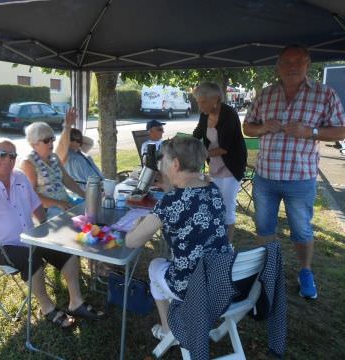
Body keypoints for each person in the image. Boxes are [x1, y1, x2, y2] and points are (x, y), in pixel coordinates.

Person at [0, 137, 105, 328]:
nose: (8, 159)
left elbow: (36, 206)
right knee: (30, 257)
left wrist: (47, 229)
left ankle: (76, 301)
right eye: (2, 154)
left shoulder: (19, 177)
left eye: (12, 155)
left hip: (30, 237)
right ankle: (47, 307)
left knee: (65, 246)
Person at [243, 44, 345, 300]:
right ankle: (268, 270)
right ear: (278, 66)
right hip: (265, 176)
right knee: (264, 228)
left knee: (302, 230)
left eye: (298, 61)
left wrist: (309, 132)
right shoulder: (265, 95)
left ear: (308, 64)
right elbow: (248, 128)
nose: (292, 66)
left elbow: (341, 130)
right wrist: (263, 127)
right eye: (286, 62)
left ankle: (305, 271)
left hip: (300, 179)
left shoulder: (325, 94)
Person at [125, 136, 233, 343]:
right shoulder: (213, 190)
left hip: (191, 287)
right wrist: (167, 184)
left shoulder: (170, 202)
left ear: (175, 164)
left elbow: (132, 242)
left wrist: (137, 225)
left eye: (163, 159)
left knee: (155, 265)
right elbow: (187, 198)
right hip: (222, 279)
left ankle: (168, 331)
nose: (160, 164)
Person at [192, 81, 247, 241]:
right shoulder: (204, 114)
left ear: (215, 99)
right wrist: (183, 144)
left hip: (232, 166)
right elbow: (197, 133)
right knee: (215, 203)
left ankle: (226, 246)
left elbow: (224, 148)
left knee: (227, 207)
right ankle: (216, 238)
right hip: (215, 165)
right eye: (198, 102)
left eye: (202, 102)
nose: (200, 106)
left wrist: (198, 156)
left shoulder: (229, 114)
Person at [20, 122, 86, 217]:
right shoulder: (28, 163)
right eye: (46, 140)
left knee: (91, 208)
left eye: (52, 139)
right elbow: (31, 195)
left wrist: (85, 195)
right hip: (48, 210)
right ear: (34, 144)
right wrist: (58, 203)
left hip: (65, 202)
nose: (51, 143)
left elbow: (67, 180)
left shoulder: (54, 157)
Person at [56, 107, 103, 189]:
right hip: (86, 191)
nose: (75, 142)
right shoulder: (65, 155)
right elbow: (61, 147)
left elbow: (90, 142)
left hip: (99, 187)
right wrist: (68, 127)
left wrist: (77, 136)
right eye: (72, 139)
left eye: (78, 140)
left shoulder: (79, 151)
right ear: (67, 139)